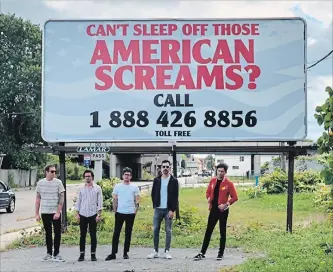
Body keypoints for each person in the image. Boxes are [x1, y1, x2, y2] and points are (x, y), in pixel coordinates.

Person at [194, 163, 238, 261]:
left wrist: (226, 204)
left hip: (223, 211)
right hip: (213, 210)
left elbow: (235, 197)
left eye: (222, 171)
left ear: (225, 172)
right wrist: (208, 198)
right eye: (219, 171)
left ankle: (220, 253)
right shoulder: (213, 181)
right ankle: (202, 252)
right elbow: (208, 192)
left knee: (222, 232)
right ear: (216, 171)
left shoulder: (229, 184)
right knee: (208, 231)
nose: (220, 173)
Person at [105, 167, 140, 261]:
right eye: (125, 174)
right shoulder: (117, 186)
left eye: (128, 175)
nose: (126, 176)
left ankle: (125, 253)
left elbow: (137, 201)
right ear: (122, 176)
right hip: (120, 212)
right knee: (116, 233)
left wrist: (135, 211)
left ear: (131, 176)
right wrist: (115, 210)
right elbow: (115, 199)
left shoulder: (134, 187)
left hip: (130, 213)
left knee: (128, 233)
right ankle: (113, 253)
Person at [147, 160, 179, 260]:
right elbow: (153, 193)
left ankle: (167, 251)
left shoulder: (174, 180)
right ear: (161, 169)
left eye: (167, 167)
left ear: (170, 168)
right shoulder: (156, 180)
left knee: (168, 230)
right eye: (163, 167)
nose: (165, 168)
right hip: (158, 209)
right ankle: (155, 251)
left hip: (168, 210)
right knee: (155, 230)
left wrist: (172, 210)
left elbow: (175, 197)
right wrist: (155, 205)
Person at [35, 164, 65, 262]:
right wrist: (36, 213)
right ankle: (49, 253)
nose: (54, 173)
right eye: (52, 171)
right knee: (48, 233)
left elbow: (61, 198)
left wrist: (58, 212)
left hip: (54, 211)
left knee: (57, 233)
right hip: (45, 211)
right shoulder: (40, 183)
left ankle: (56, 253)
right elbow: (38, 198)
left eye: (55, 171)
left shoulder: (58, 183)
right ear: (46, 172)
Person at [76, 170, 103, 262]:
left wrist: (99, 215)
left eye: (89, 176)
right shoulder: (81, 189)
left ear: (92, 177)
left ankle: (93, 254)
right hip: (83, 214)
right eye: (86, 176)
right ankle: (82, 254)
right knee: (82, 235)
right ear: (84, 177)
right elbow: (78, 202)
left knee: (93, 235)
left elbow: (100, 202)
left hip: (93, 214)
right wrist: (77, 214)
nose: (87, 178)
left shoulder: (97, 188)